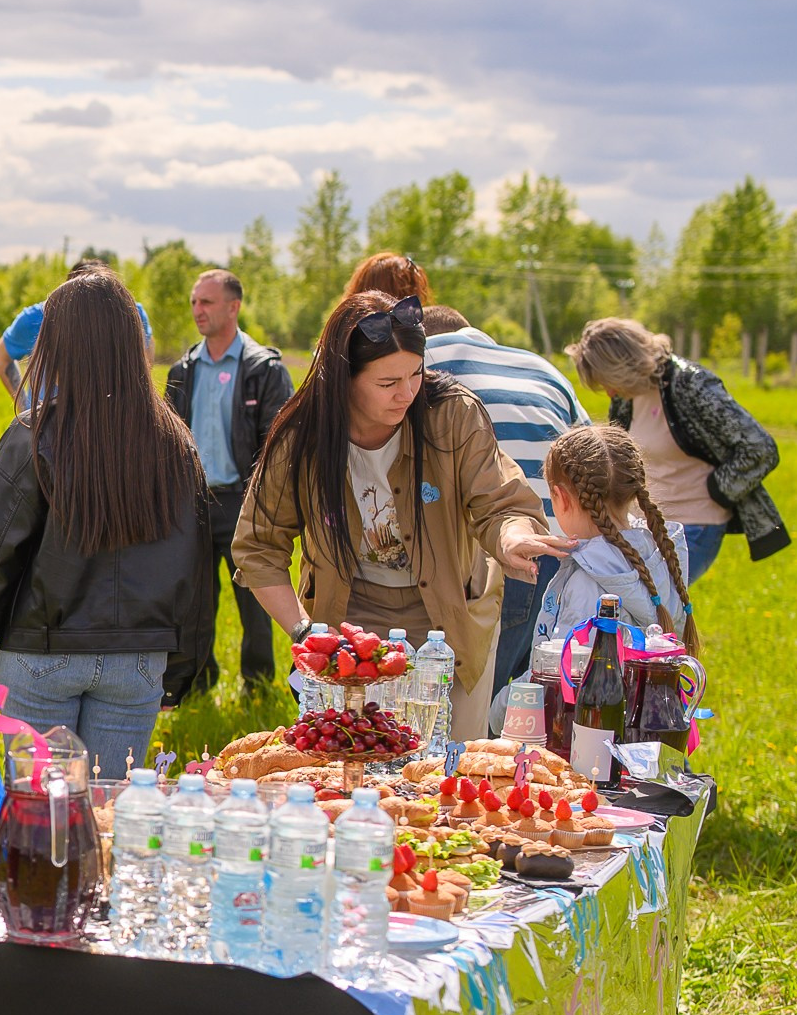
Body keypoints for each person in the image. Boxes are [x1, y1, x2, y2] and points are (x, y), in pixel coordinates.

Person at [233, 292, 572, 741]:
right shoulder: (302, 438)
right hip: (349, 626)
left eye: (416, 373)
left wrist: (511, 538)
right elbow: (258, 546)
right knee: (354, 764)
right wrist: (305, 632)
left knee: (448, 773)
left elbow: (500, 501)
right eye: (388, 382)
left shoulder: (453, 414)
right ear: (344, 378)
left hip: (450, 622)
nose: (407, 393)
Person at [0, 266, 210, 779]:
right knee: (107, 822)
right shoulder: (175, 442)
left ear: (58, 344)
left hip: (42, 653)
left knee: (38, 827)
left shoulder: (32, 435)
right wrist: (181, 668)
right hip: (137, 660)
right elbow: (194, 567)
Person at [384, 258, 591, 693]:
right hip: (555, 550)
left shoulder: (420, 363)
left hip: (476, 557)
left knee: (461, 703)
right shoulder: (545, 370)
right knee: (527, 700)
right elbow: (591, 457)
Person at [567, 317, 789, 579]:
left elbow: (759, 448)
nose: (608, 392)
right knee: (640, 609)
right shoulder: (628, 395)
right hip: (644, 524)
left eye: (607, 381)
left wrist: (716, 491)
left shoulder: (690, 385)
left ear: (623, 366)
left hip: (694, 526)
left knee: (651, 605)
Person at [162, 267, 293, 694]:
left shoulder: (263, 369)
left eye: (207, 302)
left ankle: (258, 685)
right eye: (194, 302)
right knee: (195, 602)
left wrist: (264, 502)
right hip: (194, 503)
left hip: (244, 501)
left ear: (233, 307)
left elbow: (277, 445)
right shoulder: (184, 367)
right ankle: (198, 683)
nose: (197, 310)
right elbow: (168, 436)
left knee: (256, 597)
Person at [529, 423, 696, 659]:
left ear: (562, 498)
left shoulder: (587, 581)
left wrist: (503, 697)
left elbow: (566, 674)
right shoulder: (661, 559)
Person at [0, 258, 152, 403]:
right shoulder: (36, 318)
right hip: (47, 428)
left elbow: (145, 360)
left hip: (112, 423)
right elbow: (1, 356)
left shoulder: (131, 313)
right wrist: (24, 407)